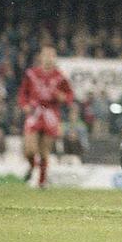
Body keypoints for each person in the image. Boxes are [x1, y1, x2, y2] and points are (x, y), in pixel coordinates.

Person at [18, 45, 74, 188]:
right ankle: (31, 166)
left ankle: (42, 182)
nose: (49, 58)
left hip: (51, 113)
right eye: (46, 55)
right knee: (29, 150)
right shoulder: (31, 74)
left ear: (54, 58)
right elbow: (23, 93)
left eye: (51, 55)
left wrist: (63, 97)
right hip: (35, 112)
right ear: (41, 57)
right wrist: (24, 104)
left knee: (44, 151)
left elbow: (69, 96)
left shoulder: (60, 77)